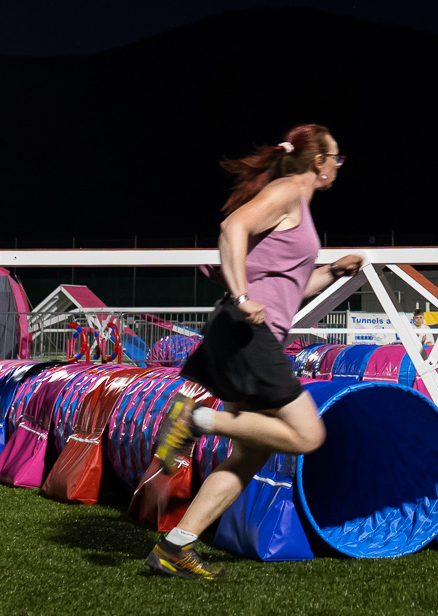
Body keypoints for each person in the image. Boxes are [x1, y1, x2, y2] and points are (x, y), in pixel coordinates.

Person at [142, 123, 364, 579]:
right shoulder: (287, 191)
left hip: (243, 332)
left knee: (249, 454)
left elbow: (292, 287)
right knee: (308, 436)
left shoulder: (298, 205)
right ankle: (195, 420)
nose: (339, 166)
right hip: (246, 331)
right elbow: (232, 227)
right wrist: (243, 296)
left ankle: (175, 546)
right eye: (336, 157)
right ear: (318, 162)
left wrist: (335, 272)